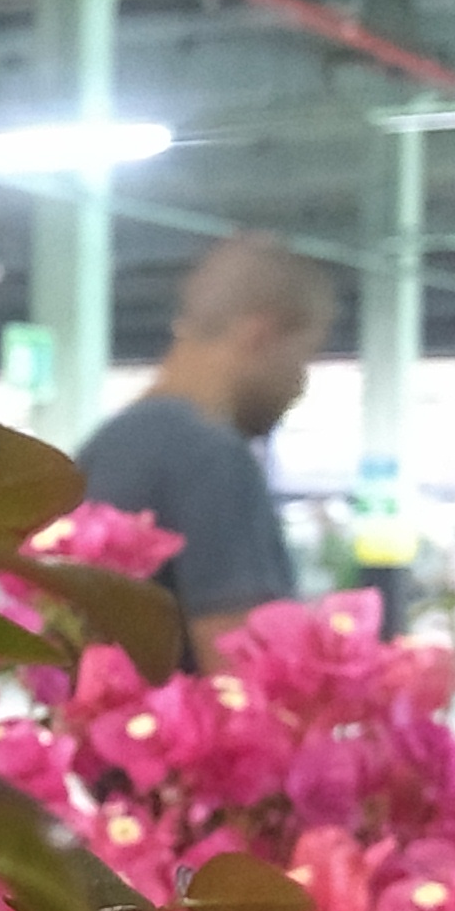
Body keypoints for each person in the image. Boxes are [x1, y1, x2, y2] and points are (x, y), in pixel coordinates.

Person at [77, 233, 334, 673]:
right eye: (303, 356)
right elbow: (248, 677)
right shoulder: (212, 458)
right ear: (260, 335)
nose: (300, 385)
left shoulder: (103, 447)